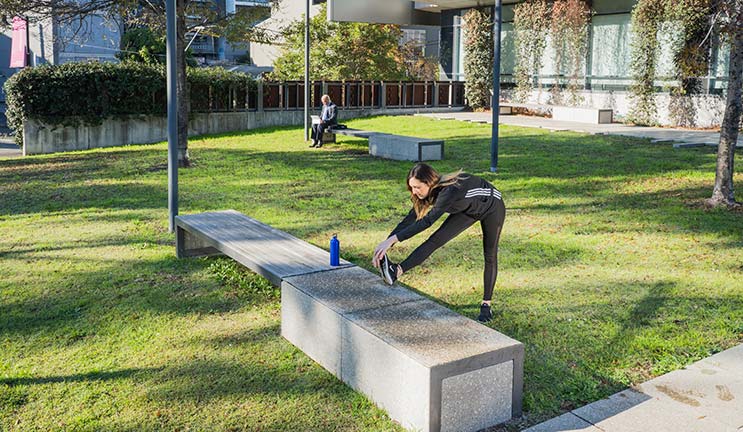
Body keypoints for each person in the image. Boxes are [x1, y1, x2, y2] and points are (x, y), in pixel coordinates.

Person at [372, 163, 506, 323]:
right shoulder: (425, 193)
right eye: (412, 187)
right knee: (435, 241)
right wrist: (387, 243)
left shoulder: (449, 191)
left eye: (417, 187)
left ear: (429, 182)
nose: (414, 191)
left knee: (489, 255)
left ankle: (486, 305)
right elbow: (410, 219)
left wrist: (393, 240)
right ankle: (396, 271)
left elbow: (428, 221)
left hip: (492, 206)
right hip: (467, 210)